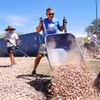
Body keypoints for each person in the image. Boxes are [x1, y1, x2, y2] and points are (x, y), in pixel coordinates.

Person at [32, 7, 66, 76]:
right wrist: (41, 23)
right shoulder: (44, 21)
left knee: (54, 58)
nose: (51, 15)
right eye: (50, 14)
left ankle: (57, 73)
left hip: (54, 42)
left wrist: (64, 24)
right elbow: (37, 30)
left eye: (53, 14)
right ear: (46, 14)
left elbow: (61, 29)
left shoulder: (56, 21)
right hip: (45, 41)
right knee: (39, 56)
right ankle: (34, 70)